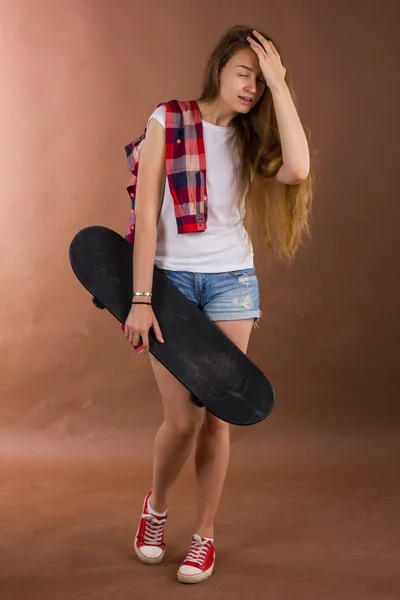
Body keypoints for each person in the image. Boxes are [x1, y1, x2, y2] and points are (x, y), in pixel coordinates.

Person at [123, 24, 315, 584]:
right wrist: (140, 299)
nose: (251, 87)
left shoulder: (252, 139)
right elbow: (147, 217)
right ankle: (155, 510)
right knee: (181, 421)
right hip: (171, 283)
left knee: (218, 421)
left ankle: (204, 535)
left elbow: (299, 169)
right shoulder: (170, 119)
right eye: (245, 74)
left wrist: (281, 85)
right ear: (219, 70)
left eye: (262, 79)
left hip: (232, 280)